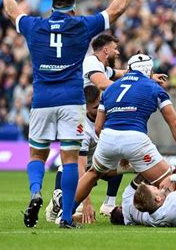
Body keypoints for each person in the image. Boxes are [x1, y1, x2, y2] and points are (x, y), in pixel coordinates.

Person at [1, 0, 141, 228]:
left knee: (37, 155)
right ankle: (66, 217)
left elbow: (12, 13)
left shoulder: (35, 25)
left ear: (52, 9)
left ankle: (35, 192)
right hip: (71, 101)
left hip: (42, 99)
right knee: (70, 159)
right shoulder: (81, 25)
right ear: (73, 9)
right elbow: (116, 9)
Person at [72, 54, 176, 216]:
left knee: (93, 174)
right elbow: (175, 123)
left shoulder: (110, 89)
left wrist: (117, 150)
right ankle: (173, 215)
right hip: (135, 138)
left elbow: (98, 127)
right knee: (168, 180)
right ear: (150, 71)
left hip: (107, 137)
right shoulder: (154, 87)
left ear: (129, 69)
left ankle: (66, 214)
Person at [44, 85, 135, 223]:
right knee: (72, 212)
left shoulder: (107, 112)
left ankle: (109, 204)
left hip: (97, 167)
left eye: (99, 105)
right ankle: (59, 200)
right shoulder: (83, 129)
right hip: (74, 171)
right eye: (93, 108)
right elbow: (81, 167)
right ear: (85, 107)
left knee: (128, 164)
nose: (98, 110)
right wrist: (87, 203)